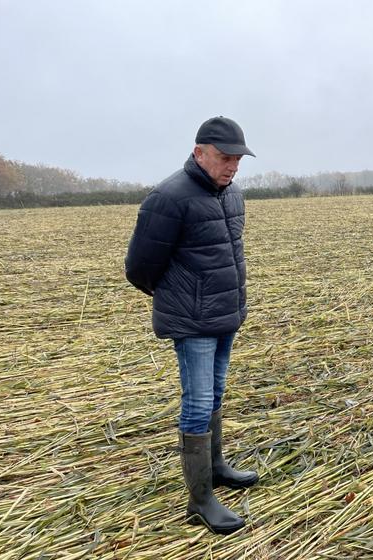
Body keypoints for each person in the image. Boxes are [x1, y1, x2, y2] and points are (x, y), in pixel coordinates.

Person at [125, 116, 258, 534]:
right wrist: (182, 301)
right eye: (224, 157)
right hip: (193, 321)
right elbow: (139, 268)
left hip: (226, 314)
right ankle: (199, 500)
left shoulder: (231, 194)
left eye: (237, 158)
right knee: (198, 403)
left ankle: (216, 468)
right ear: (200, 152)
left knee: (216, 394)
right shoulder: (168, 197)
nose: (232, 166)